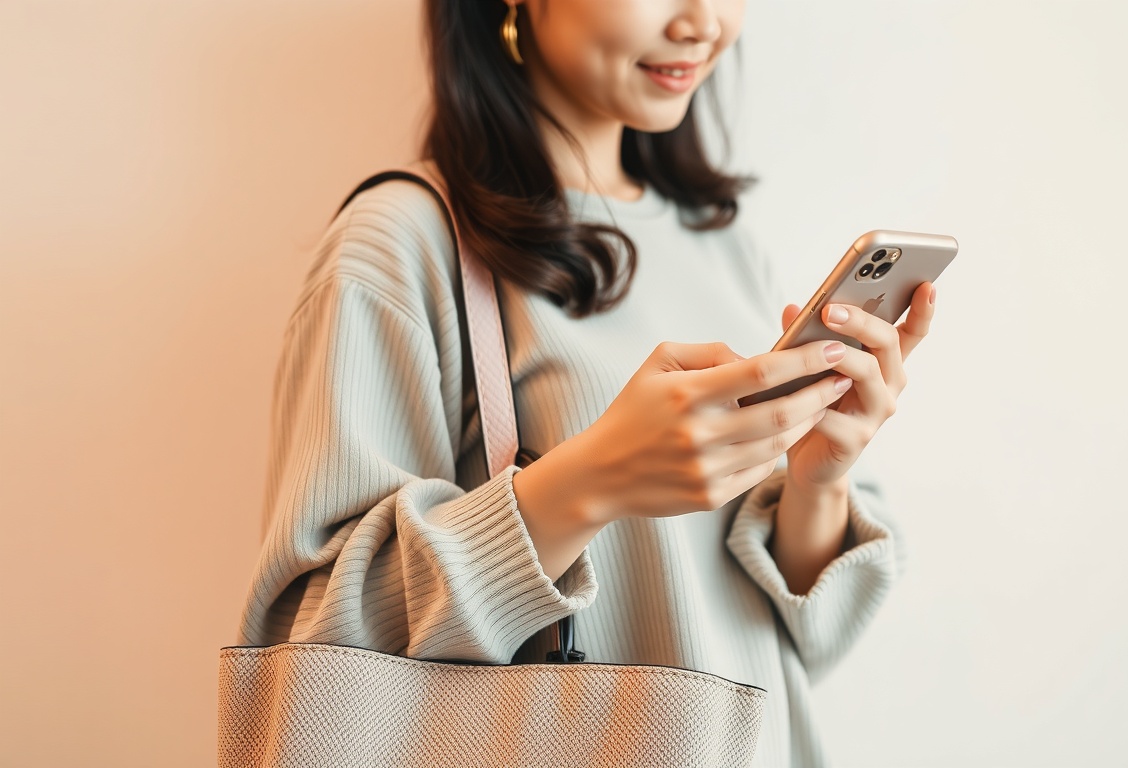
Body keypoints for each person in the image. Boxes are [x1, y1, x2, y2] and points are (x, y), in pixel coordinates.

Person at [235, 0, 938, 765]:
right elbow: (311, 644)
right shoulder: (402, 242)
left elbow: (802, 647)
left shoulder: (724, 243)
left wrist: (818, 482)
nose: (703, 22)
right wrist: (592, 480)